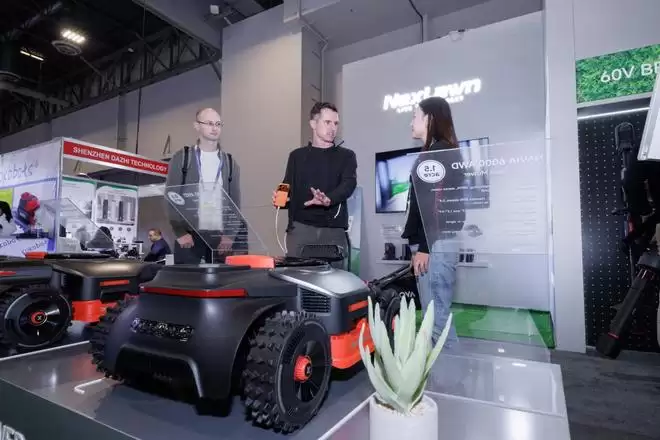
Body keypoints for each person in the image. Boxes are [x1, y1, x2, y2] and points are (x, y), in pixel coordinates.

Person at [402, 97, 465, 353]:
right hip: (435, 243)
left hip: (435, 244)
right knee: (434, 317)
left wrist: (424, 247)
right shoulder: (440, 152)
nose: (411, 122)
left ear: (429, 119)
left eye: (415, 116)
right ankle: (444, 373)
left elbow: (433, 207)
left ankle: (452, 374)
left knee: (436, 318)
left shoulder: (438, 153)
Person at [273, 102, 357, 261]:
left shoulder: (347, 156)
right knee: (298, 276)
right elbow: (287, 185)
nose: (333, 128)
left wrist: (328, 199)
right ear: (313, 124)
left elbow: (348, 184)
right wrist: (280, 199)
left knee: (335, 277)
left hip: (332, 232)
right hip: (300, 231)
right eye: (327, 122)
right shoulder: (296, 156)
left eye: (336, 123)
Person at [165, 108, 241, 264]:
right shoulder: (182, 157)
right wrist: (179, 232)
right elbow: (171, 197)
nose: (214, 128)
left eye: (218, 124)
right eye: (209, 123)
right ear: (197, 126)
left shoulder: (230, 162)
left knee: (221, 278)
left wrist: (230, 235)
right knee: (187, 278)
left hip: (219, 238)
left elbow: (235, 203)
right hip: (189, 236)